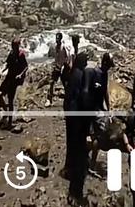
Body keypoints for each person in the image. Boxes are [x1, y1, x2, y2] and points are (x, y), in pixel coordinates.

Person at [64, 49, 89, 202]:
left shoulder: (74, 73)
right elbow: (81, 99)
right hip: (77, 119)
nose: (87, 62)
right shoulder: (80, 75)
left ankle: (69, 169)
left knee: (72, 146)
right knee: (78, 152)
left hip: (71, 117)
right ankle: (75, 192)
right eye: (85, 60)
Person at [83, 52, 113, 174]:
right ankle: (89, 162)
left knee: (97, 137)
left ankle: (91, 162)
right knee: (94, 137)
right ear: (104, 63)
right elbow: (86, 91)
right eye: (109, 65)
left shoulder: (104, 74)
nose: (109, 68)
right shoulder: (94, 73)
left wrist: (108, 107)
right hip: (90, 109)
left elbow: (105, 91)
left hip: (99, 109)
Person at [0, 39, 28, 129]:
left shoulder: (21, 55)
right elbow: (7, 63)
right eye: (12, 45)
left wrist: (20, 74)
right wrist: (2, 70)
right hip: (8, 77)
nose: (13, 47)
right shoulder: (11, 54)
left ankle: (10, 122)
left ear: (18, 45)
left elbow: (26, 67)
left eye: (15, 45)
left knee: (10, 101)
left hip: (14, 80)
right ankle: (6, 111)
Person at [47, 31, 70, 105]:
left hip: (63, 67)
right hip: (57, 67)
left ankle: (68, 98)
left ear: (60, 38)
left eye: (58, 38)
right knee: (52, 82)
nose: (57, 40)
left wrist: (66, 65)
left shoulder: (63, 47)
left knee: (65, 83)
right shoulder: (56, 47)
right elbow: (56, 57)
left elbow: (67, 57)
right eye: (56, 38)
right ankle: (50, 99)